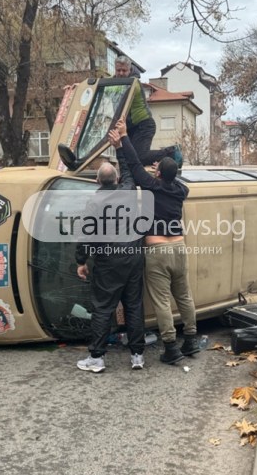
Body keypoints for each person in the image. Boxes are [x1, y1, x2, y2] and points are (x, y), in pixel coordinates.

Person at [110, 121, 198, 365]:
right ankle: (190, 340)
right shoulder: (181, 191)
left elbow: (135, 165)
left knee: (162, 300)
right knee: (184, 296)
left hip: (158, 250)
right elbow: (173, 179)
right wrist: (165, 170)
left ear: (158, 173)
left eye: (158, 168)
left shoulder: (150, 186)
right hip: (179, 248)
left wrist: (125, 137)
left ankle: (170, 347)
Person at [75, 159, 146, 373]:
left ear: (97, 181)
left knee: (103, 308)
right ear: (117, 179)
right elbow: (128, 170)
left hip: (108, 262)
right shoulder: (128, 192)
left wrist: (81, 261)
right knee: (133, 306)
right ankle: (137, 356)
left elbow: (85, 235)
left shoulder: (93, 203)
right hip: (133, 258)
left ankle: (97, 358)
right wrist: (121, 143)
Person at [113, 55, 182, 167]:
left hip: (144, 125)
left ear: (129, 70)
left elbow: (118, 90)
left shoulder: (133, 82)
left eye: (124, 70)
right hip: (131, 128)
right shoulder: (115, 81)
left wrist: (100, 87)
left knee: (140, 157)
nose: (120, 73)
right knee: (128, 158)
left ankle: (172, 152)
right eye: (118, 70)